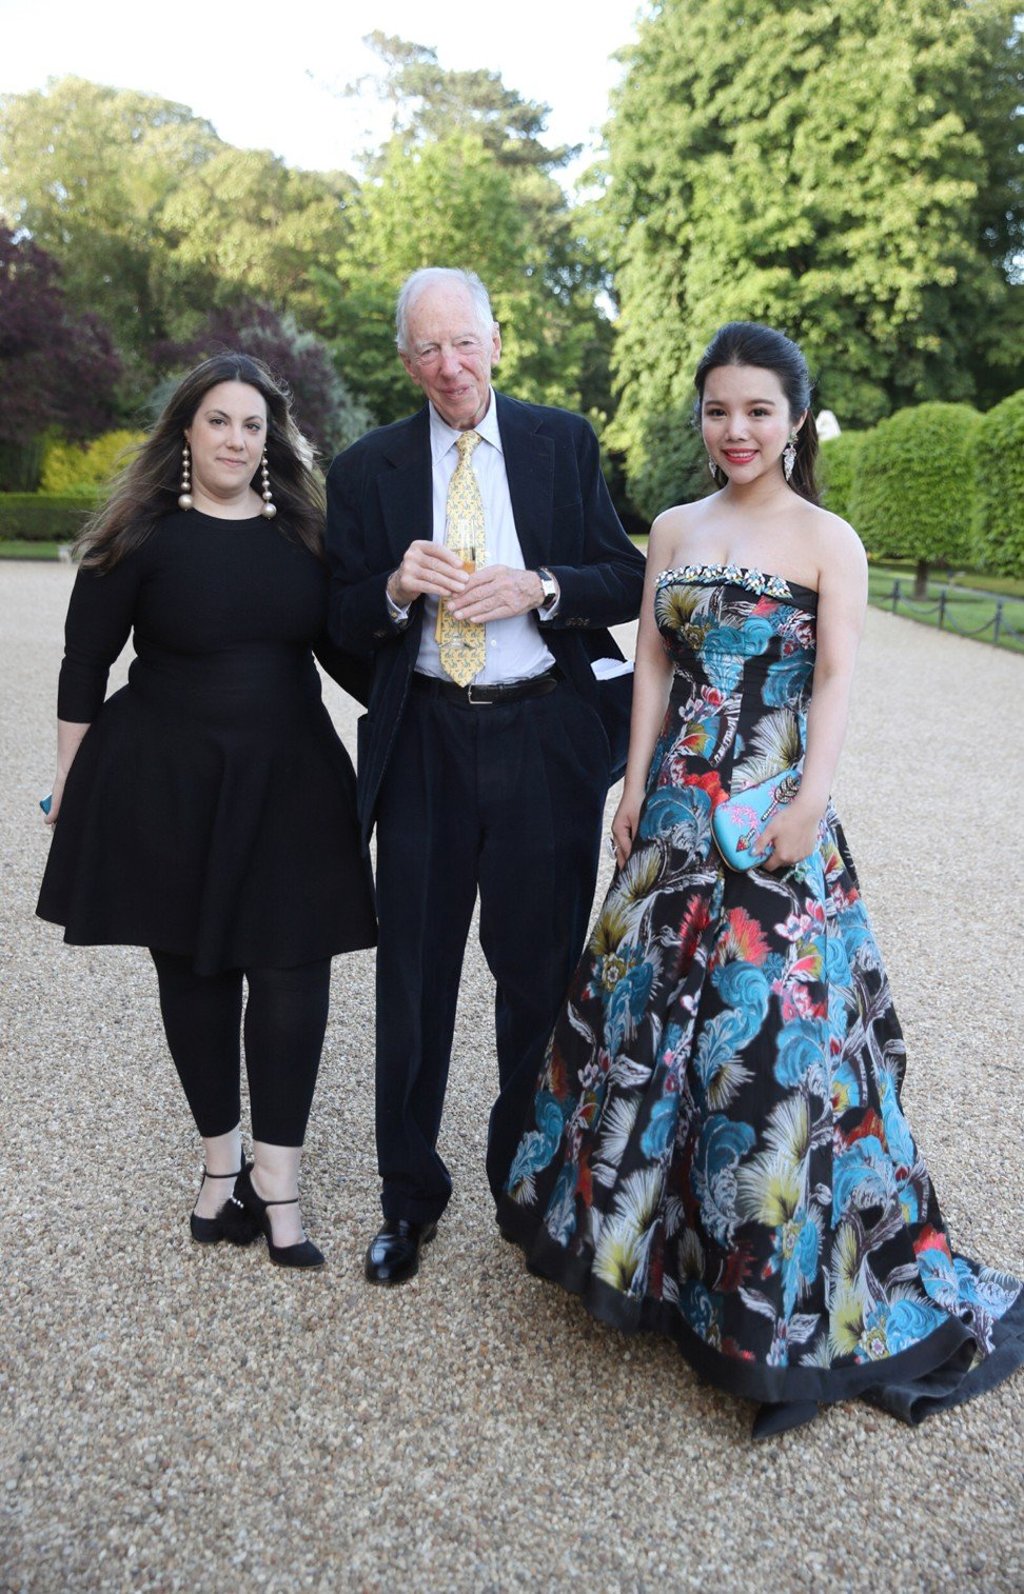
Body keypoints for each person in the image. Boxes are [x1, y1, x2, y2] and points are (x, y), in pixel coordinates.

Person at [498, 322, 1024, 1436]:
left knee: (766, 1053)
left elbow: (833, 679)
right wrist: (631, 783)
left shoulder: (829, 538)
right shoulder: (676, 527)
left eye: (756, 410)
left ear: (793, 417)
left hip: (773, 816)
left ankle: (765, 1311)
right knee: (640, 1037)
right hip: (674, 816)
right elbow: (651, 659)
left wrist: (810, 800)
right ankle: (651, 1266)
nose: (733, 430)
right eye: (716, 410)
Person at [326, 267, 646, 1285]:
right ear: (404, 359)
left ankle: (525, 1177)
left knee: (536, 976)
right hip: (421, 738)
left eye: (462, 342)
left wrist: (542, 586)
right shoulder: (368, 467)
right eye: (426, 348)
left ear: (496, 341)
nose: (448, 366)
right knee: (411, 981)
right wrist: (389, 591)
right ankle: (408, 1197)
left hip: (540, 738)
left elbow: (628, 576)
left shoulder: (561, 442)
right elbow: (331, 627)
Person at [37, 353, 376, 1269]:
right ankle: (219, 1171)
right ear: (185, 430)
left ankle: (281, 1185)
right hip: (168, 778)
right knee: (192, 971)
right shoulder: (141, 533)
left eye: (254, 425)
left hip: (291, 777)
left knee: (294, 973)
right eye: (220, 420)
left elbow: (350, 658)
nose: (237, 438)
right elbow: (82, 664)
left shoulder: (306, 532)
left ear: (272, 441)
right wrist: (69, 782)